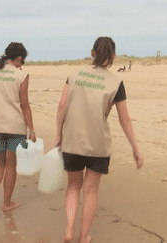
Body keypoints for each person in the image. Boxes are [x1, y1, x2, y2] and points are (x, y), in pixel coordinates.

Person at [55, 36, 144, 243]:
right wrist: (135, 148)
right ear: (113, 56)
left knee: (73, 186)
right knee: (91, 190)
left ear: (92, 53)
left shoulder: (74, 75)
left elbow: (61, 105)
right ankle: (83, 236)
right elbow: (124, 118)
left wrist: (59, 134)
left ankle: (69, 229)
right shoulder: (116, 82)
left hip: (72, 141)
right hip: (98, 144)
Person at [0, 42, 36, 215]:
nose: (22, 65)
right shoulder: (21, 76)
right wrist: (31, 129)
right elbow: (25, 105)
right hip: (15, 126)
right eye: (22, 61)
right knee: (11, 164)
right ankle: (7, 202)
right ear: (18, 58)